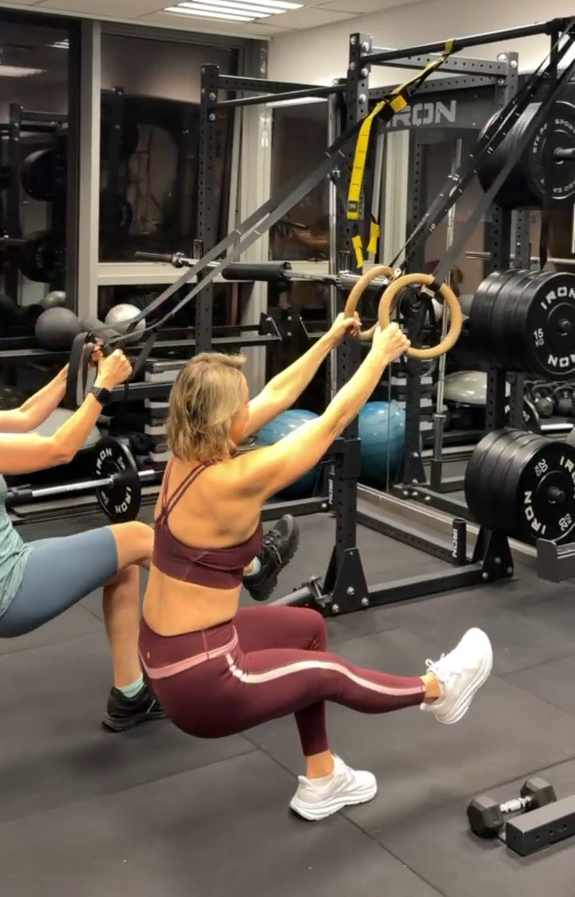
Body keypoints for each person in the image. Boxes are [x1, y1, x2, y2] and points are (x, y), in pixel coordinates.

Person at [139, 313, 494, 821]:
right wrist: (380, 354)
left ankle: (323, 776)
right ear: (223, 418)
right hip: (201, 682)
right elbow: (330, 423)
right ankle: (438, 690)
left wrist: (328, 340)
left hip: (168, 652)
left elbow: (278, 393)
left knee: (308, 629)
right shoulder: (233, 479)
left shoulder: (185, 455)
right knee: (329, 674)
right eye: (243, 405)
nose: (252, 408)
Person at [0, 338, 299, 732]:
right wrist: (103, 386)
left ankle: (130, 694)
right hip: (2, 590)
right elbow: (59, 449)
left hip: (1, 572)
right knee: (136, 537)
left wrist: (75, 370)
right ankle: (250, 569)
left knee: (121, 565)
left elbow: (26, 415)